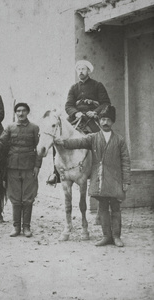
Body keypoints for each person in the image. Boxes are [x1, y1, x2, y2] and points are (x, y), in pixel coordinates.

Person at [54, 105, 131, 247]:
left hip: (114, 179)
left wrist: (126, 180)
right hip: (100, 179)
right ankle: (106, 236)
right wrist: (64, 143)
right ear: (99, 121)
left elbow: (126, 161)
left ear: (112, 122)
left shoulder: (119, 140)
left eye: (108, 119)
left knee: (115, 208)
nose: (105, 122)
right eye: (102, 119)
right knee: (102, 207)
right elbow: (79, 142)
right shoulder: (93, 138)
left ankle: (116, 236)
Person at [47, 60, 111, 185]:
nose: (80, 72)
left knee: (100, 140)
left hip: (92, 118)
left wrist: (95, 112)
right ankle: (56, 173)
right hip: (75, 118)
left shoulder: (98, 85)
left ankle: (102, 170)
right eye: (79, 69)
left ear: (88, 71)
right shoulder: (74, 87)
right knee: (58, 139)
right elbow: (68, 105)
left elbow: (106, 103)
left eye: (83, 69)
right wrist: (75, 113)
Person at [0, 103, 42, 238]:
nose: (21, 114)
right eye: (18, 111)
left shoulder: (34, 128)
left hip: (29, 167)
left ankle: (26, 227)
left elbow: (39, 149)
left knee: (28, 198)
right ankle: (16, 227)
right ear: (16, 113)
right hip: (13, 167)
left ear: (28, 112)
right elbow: (1, 142)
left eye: (23, 111)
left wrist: (37, 166)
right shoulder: (10, 127)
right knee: (15, 198)